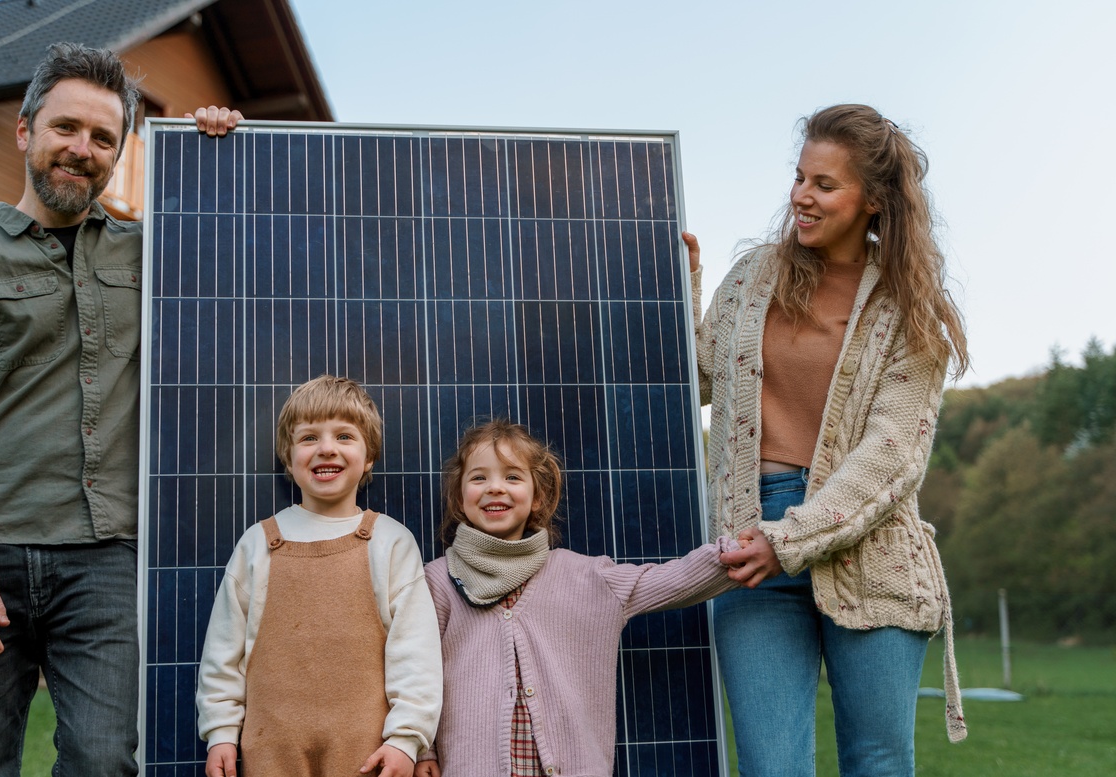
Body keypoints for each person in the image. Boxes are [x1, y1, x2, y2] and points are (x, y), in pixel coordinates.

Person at [0, 42, 241, 776]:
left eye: (103, 137)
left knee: (102, 761)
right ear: (26, 131)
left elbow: (240, 247)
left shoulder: (152, 256)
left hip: (105, 559)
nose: (82, 149)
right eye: (66, 128)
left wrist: (222, 147)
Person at [687, 103, 970, 777]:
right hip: (749, 542)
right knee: (769, 765)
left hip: (869, 548)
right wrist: (683, 289)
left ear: (871, 200)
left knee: (876, 761)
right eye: (799, 176)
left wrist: (792, 538)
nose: (801, 196)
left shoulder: (910, 308)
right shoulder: (755, 277)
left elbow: (892, 454)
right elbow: (697, 380)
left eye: (823, 184)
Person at [414, 418, 742, 777]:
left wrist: (731, 555)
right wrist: (424, 750)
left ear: (537, 496)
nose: (495, 488)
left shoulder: (587, 577)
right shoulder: (438, 582)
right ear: (460, 498)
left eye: (512, 477)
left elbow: (671, 580)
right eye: (479, 478)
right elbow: (418, 673)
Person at [196, 375, 441, 777]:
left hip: (367, 753)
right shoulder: (258, 544)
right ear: (288, 457)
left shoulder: (390, 542)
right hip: (271, 748)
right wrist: (221, 731)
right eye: (309, 438)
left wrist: (407, 739)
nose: (326, 448)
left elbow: (416, 655)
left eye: (344, 436)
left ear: (369, 457)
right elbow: (223, 653)